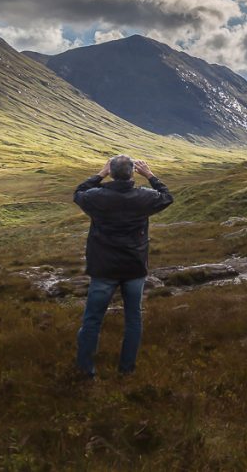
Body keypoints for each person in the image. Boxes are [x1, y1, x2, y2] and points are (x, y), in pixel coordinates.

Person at [73, 155, 173, 377]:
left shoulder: (95, 197)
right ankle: (126, 371)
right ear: (132, 173)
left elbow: (78, 193)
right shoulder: (144, 197)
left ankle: (85, 371)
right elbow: (167, 197)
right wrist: (150, 175)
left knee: (92, 320)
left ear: (111, 172)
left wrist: (99, 174)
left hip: (103, 267)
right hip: (134, 266)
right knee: (133, 319)